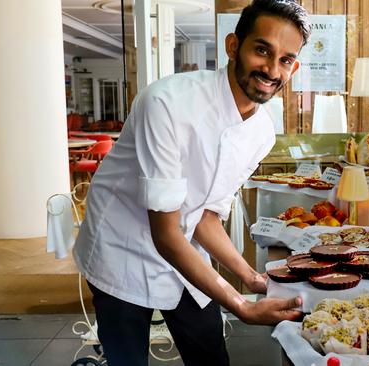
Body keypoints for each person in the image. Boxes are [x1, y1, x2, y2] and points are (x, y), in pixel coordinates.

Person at [72, 1, 311, 365]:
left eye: (285, 59)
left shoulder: (261, 130)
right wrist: (242, 305)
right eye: (262, 50)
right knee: (127, 359)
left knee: (210, 354)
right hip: (121, 247)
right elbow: (165, 232)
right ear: (234, 46)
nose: (271, 69)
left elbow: (204, 216)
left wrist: (251, 277)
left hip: (182, 249)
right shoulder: (166, 103)